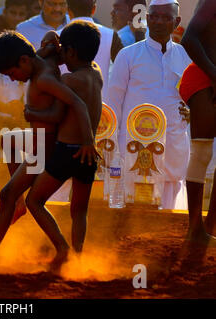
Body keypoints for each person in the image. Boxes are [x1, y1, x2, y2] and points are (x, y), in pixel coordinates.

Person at [0, 30, 98, 275]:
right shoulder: (41, 61)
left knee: (6, 194)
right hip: (40, 140)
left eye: (11, 74)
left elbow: (73, 105)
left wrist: (87, 140)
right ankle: (20, 204)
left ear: (23, 61)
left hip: (45, 147)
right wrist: (51, 44)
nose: (11, 79)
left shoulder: (46, 78)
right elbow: (50, 43)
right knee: (8, 141)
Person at [24, 21, 103, 273]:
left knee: (34, 200)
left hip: (68, 150)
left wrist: (30, 112)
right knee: (79, 210)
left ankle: (62, 247)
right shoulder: (97, 74)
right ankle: (78, 258)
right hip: (88, 153)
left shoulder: (68, 80)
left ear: (69, 52)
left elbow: (55, 115)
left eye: (65, 52)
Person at [108, 0, 192, 210]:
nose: (159, 22)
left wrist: (190, 111)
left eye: (166, 17)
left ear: (177, 21)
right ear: (147, 18)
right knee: (132, 214)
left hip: (173, 146)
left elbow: (193, 100)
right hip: (134, 150)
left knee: (170, 216)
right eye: (154, 16)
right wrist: (113, 151)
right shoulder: (128, 55)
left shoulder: (186, 56)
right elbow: (112, 105)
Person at [179, 0, 216, 244]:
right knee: (201, 153)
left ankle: (209, 227)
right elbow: (188, 39)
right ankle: (195, 230)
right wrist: (215, 74)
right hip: (205, 78)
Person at [66, 0, 123, 102]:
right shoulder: (111, 36)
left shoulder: (56, 36)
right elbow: (124, 69)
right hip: (101, 109)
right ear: (94, 9)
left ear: (68, 11)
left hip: (65, 106)